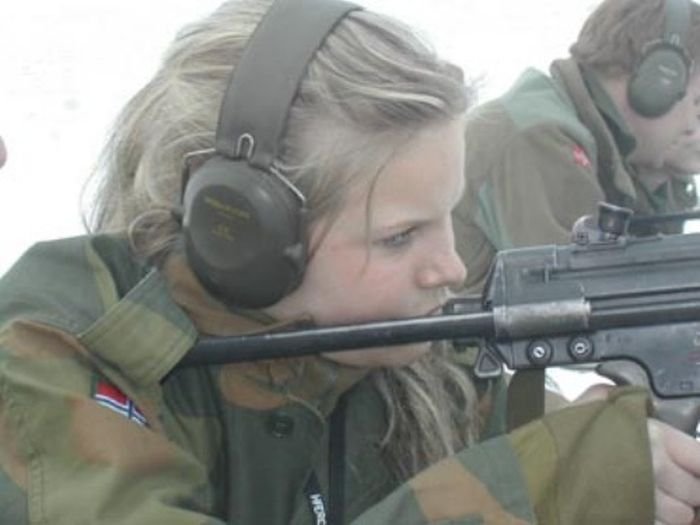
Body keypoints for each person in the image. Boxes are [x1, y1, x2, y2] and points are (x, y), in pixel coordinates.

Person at [0, 0, 699, 523]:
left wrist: (612, 448)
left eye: (445, 218)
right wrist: (534, 490)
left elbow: (525, 434)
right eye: (401, 237)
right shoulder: (49, 360)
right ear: (242, 237)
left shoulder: (401, 364)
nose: (451, 268)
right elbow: (533, 480)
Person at [454, 0, 700, 293]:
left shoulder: (621, 155)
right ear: (657, 84)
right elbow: (585, 297)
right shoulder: (540, 138)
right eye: (698, 102)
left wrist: (658, 179)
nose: (695, 123)